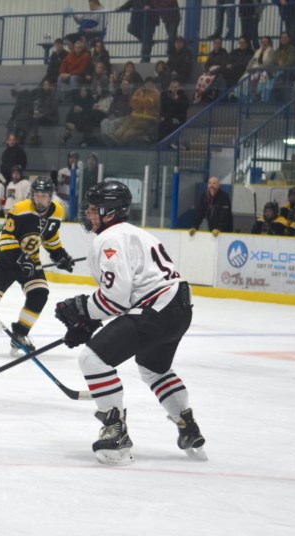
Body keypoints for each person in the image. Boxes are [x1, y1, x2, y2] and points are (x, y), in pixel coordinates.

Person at [53, 180, 206, 465]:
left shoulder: (109, 239)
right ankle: (188, 426)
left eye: (93, 209)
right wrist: (90, 321)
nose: (88, 214)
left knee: (93, 360)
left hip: (156, 308)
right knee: (153, 368)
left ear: (109, 212)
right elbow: (128, 296)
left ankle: (116, 430)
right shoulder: (136, 234)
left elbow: (116, 299)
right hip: (178, 308)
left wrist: (81, 310)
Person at [0, 177, 75, 354]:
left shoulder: (57, 211)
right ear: (32, 195)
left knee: (39, 294)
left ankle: (19, 334)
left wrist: (60, 255)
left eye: (44, 196)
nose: (40, 199)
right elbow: (5, 237)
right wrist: (19, 258)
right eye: (37, 195)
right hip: (5, 260)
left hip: (31, 261)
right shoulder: (19, 209)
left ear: (51, 197)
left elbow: (50, 236)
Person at [194, 38, 229, 103]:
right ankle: (199, 94)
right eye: (215, 43)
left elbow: (223, 65)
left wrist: (212, 72)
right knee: (201, 78)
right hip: (210, 72)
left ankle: (210, 92)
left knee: (217, 78)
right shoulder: (211, 53)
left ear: (221, 44)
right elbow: (207, 64)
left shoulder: (224, 53)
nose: (217, 44)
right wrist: (207, 71)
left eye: (219, 43)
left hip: (218, 72)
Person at [28, 79, 60, 145]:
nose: (45, 86)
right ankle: (33, 136)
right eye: (44, 85)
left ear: (50, 85)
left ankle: (35, 137)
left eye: (46, 84)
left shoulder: (53, 94)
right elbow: (39, 107)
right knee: (31, 117)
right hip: (43, 116)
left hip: (51, 118)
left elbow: (52, 110)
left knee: (35, 119)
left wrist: (41, 114)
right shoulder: (41, 93)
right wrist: (37, 112)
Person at [159, 78, 189, 142]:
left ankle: (171, 143)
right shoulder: (165, 95)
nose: (174, 89)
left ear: (179, 87)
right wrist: (162, 116)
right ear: (169, 87)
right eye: (172, 87)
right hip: (167, 117)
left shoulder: (182, 95)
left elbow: (185, 106)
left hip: (178, 118)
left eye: (176, 87)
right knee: (160, 126)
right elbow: (162, 107)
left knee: (170, 125)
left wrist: (177, 100)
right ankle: (161, 143)